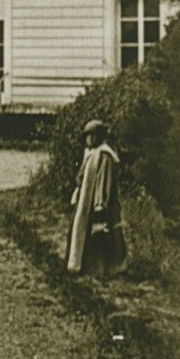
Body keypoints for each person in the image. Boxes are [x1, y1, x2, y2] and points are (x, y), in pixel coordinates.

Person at [66, 118, 125, 275]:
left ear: (100, 137)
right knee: (85, 231)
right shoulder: (91, 154)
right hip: (87, 199)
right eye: (88, 136)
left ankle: (106, 268)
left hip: (99, 201)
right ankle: (84, 266)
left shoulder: (104, 155)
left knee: (103, 233)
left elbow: (103, 180)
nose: (90, 139)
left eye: (94, 136)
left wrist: (100, 203)